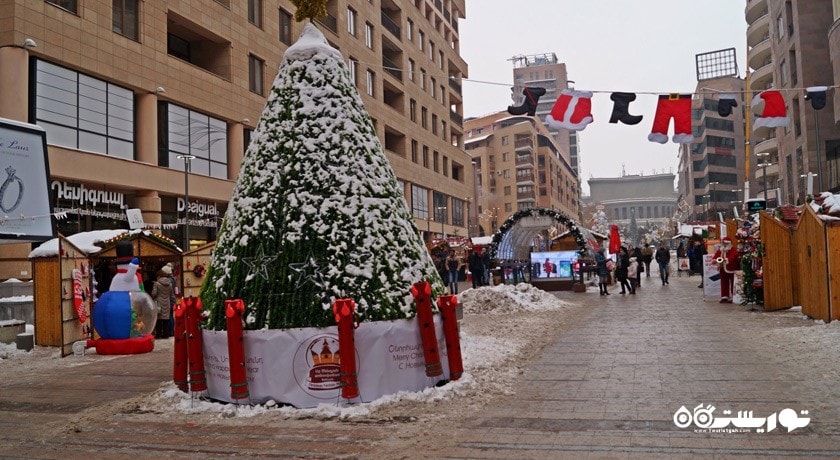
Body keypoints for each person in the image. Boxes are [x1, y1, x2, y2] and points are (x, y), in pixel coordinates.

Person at [712, 236, 739, 303]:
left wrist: (726, 260)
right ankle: (724, 296)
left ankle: (733, 296)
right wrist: (714, 260)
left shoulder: (733, 249)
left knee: (733, 283)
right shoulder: (720, 250)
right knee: (724, 282)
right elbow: (716, 256)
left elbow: (732, 257)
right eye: (723, 243)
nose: (724, 245)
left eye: (726, 243)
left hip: (731, 268)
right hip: (722, 268)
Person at [151, 268, 174, 339]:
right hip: (167, 303)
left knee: (159, 319)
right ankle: (166, 334)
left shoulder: (157, 284)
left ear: (159, 276)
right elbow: (171, 294)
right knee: (166, 319)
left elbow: (154, 294)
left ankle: (159, 334)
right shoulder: (170, 284)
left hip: (159, 303)